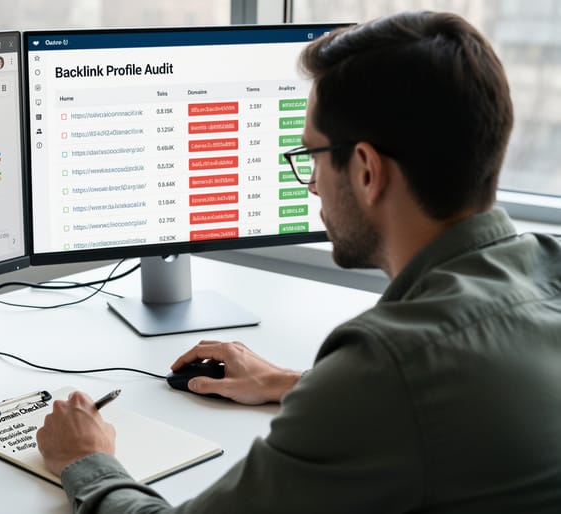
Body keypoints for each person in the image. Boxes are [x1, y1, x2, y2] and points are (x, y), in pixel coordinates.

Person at [36, 11, 561, 513]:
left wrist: (86, 460)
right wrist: (291, 382)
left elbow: (397, 388)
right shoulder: (548, 271)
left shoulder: (387, 367)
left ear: (366, 170)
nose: (310, 184)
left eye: (312, 156)